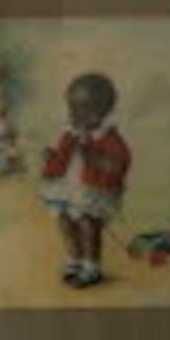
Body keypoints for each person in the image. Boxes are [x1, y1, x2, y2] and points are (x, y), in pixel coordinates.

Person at [36, 72, 131, 289]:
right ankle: (74, 258)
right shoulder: (69, 134)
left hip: (92, 190)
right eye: (72, 107)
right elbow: (62, 157)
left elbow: (117, 165)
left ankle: (91, 266)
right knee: (64, 220)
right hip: (68, 188)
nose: (75, 114)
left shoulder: (108, 137)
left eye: (84, 108)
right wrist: (52, 157)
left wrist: (92, 153)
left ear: (103, 111)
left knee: (88, 224)